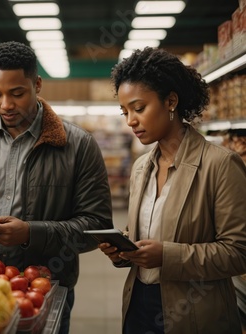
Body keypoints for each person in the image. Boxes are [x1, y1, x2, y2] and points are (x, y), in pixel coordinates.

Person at [0, 41, 113, 333]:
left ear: (37, 84)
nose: (6, 104)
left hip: (43, 284)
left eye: (17, 93)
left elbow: (96, 226)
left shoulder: (78, 145)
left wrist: (31, 233)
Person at [100, 47, 246, 333]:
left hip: (194, 314)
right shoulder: (142, 168)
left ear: (170, 101)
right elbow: (142, 232)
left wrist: (168, 256)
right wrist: (123, 249)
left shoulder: (220, 164)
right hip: (139, 305)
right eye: (125, 111)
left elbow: (239, 252)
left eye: (139, 108)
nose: (130, 120)